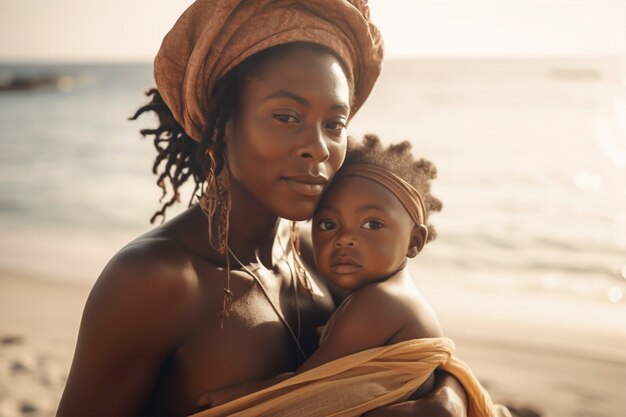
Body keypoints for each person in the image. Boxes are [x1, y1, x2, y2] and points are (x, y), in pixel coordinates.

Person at [57, 1, 470, 416]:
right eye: (286, 116)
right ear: (222, 125)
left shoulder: (321, 257)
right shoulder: (156, 280)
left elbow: (419, 345)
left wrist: (448, 398)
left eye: (335, 123)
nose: (319, 146)